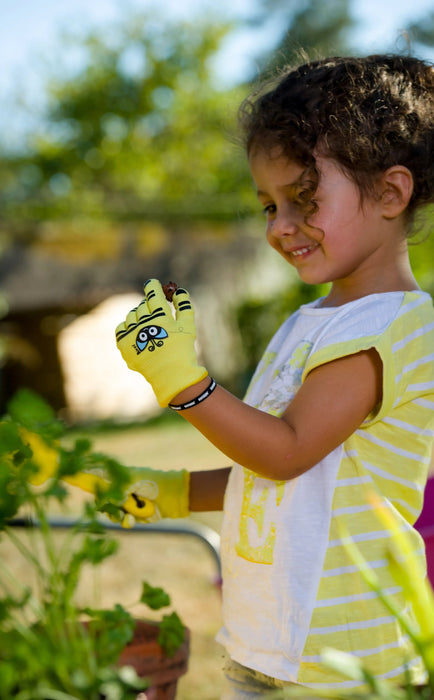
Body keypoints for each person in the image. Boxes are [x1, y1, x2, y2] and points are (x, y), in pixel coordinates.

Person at [111, 54, 434, 698]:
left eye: (303, 199)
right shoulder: (310, 323)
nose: (281, 227)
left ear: (391, 193)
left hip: (339, 658)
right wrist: (169, 492)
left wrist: (185, 384)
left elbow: (285, 454)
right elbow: (291, 480)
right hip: (274, 643)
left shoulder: (383, 328)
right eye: (268, 206)